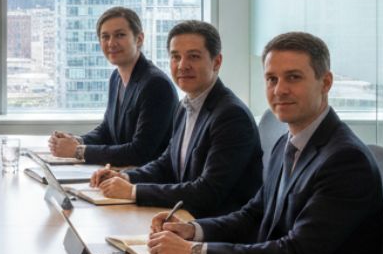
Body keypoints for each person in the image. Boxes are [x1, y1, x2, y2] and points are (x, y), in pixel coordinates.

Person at [146, 31, 383, 254]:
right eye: (271, 78)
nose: (280, 89)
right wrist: (193, 231)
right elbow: (254, 214)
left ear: (325, 82)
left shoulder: (345, 161)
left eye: (293, 78)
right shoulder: (287, 143)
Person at [89, 21, 261, 217]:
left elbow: (208, 192)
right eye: (175, 56)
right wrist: (125, 177)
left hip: (214, 229)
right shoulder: (184, 106)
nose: (182, 65)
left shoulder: (231, 116)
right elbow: (167, 164)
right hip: (182, 218)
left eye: (193, 57)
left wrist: (133, 192)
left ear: (217, 62)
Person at [47, 6, 176, 166]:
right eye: (105, 36)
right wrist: (76, 141)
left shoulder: (156, 85)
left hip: (145, 181)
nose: (111, 43)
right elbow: (107, 130)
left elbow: (140, 152)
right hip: (119, 174)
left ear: (139, 39)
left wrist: (78, 151)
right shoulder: (116, 77)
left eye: (120, 35)